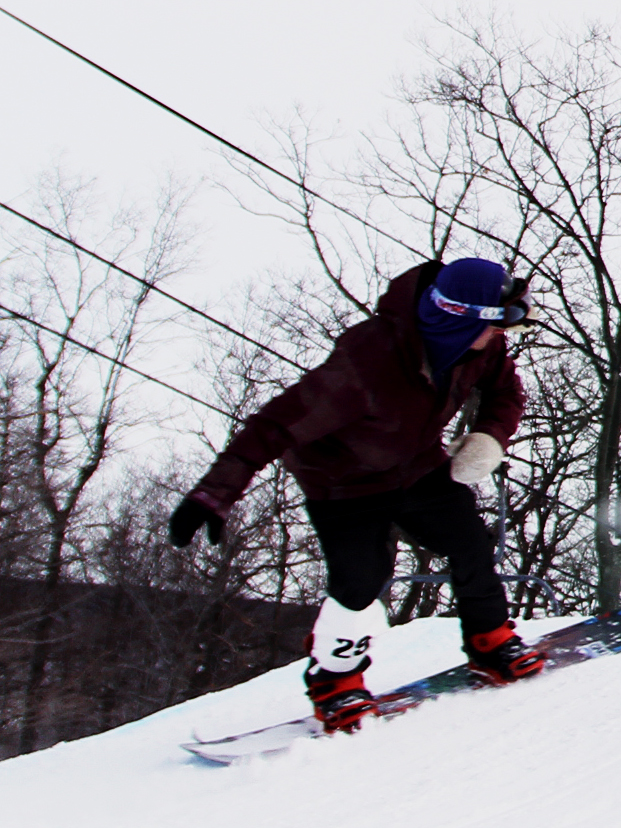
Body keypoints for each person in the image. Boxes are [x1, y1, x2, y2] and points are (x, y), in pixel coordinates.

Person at [167, 258, 542, 734]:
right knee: (362, 579)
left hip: (416, 464)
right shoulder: (366, 363)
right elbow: (275, 425)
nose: (498, 337)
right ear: (460, 319)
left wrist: (489, 436)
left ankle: (489, 639)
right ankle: (336, 681)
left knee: (469, 539)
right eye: (493, 326)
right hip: (344, 483)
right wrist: (214, 494)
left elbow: (506, 392)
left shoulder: (479, 348)